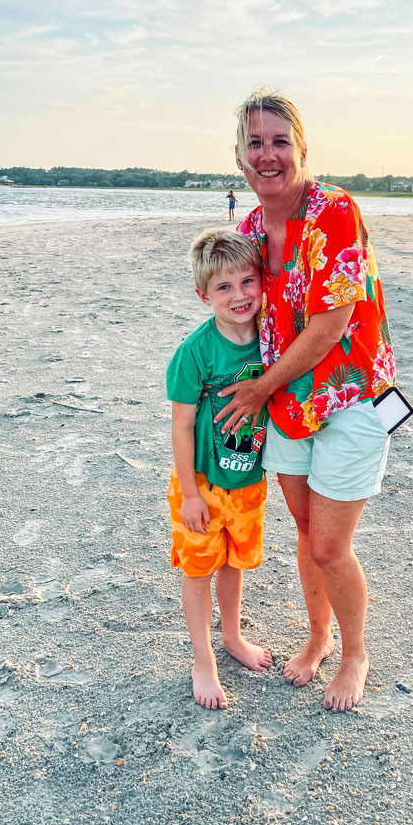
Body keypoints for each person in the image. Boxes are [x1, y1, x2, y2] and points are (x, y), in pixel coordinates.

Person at [215, 90, 397, 712]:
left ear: (301, 148)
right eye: (256, 143)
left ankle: (355, 654)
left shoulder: (334, 212)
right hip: (286, 408)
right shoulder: (244, 232)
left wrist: (260, 388)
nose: (268, 155)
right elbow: (235, 311)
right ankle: (318, 637)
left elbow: (329, 325)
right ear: (239, 156)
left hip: (349, 399)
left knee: (329, 545)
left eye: (279, 141)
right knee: (303, 528)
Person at [166, 228, 273, 709]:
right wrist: (189, 493)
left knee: (234, 563)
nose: (239, 295)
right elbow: (183, 427)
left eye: (247, 281)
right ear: (203, 294)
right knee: (199, 568)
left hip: (248, 478)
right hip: (204, 484)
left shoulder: (272, 337)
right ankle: (203, 659)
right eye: (224, 287)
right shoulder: (196, 351)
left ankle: (233, 637)